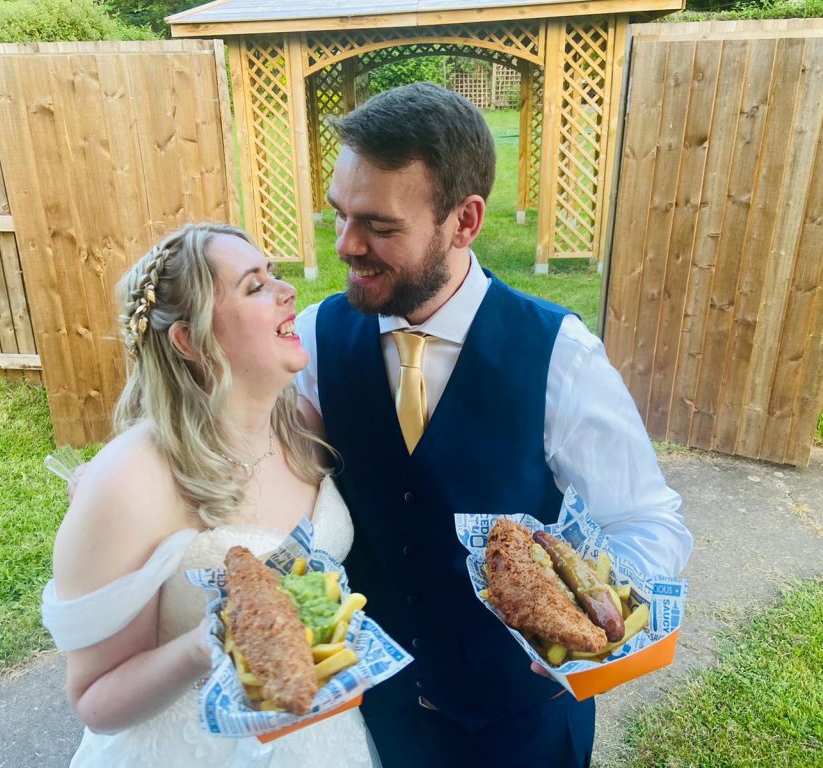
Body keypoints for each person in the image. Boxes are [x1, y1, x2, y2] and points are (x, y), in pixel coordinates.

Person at [293, 82, 694, 767]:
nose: (346, 245)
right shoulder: (315, 340)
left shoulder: (559, 356)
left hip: (522, 731)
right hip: (376, 725)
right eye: (339, 215)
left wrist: (597, 620)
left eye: (380, 227)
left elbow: (648, 522)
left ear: (465, 220)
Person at [41, 223, 377, 767]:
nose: (287, 291)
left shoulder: (304, 429)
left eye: (275, 275)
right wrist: (207, 642)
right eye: (254, 286)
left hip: (325, 736)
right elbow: (93, 700)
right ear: (191, 340)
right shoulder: (127, 483)